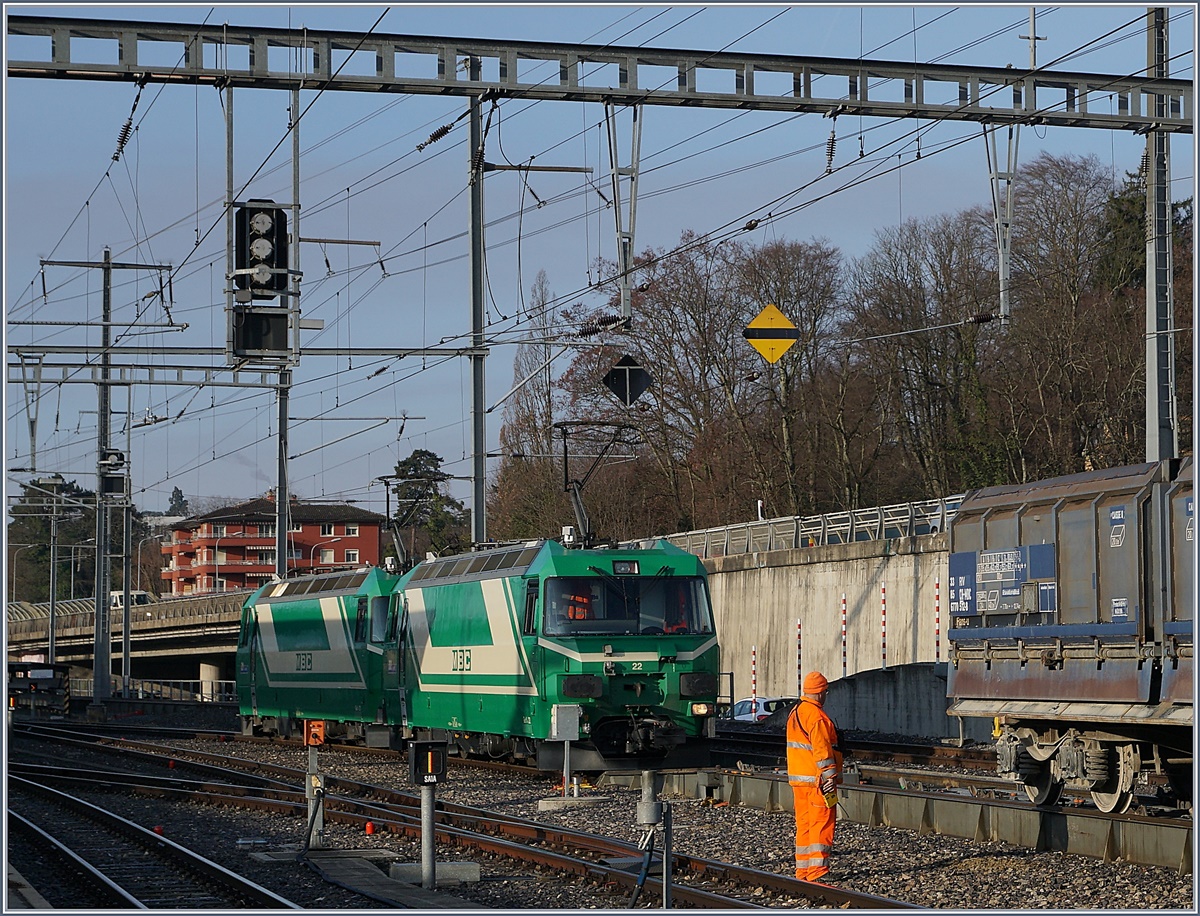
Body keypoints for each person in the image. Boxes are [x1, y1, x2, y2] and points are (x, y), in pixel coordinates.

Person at [786, 670, 843, 882]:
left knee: (805, 825)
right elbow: (822, 752)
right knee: (822, 823)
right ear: (820, 693)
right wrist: (830, 778)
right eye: (825, 692)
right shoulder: (817, 717)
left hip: (799, 781)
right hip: (818, 782)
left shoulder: (796, 712)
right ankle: (818, 871)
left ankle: (802, 871)